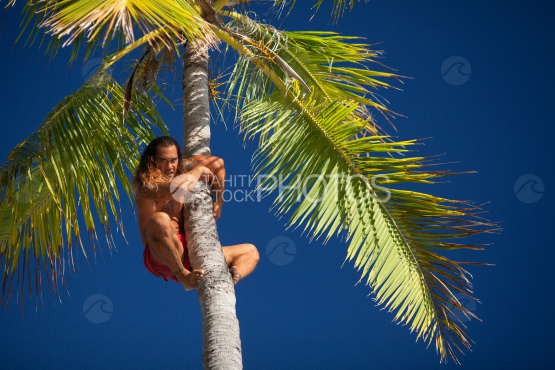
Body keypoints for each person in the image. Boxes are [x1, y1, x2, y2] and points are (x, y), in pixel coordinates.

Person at [132, 136, 259, 291]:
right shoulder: (146, 187)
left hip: (188, 252)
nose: (170, 166)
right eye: (163, 160)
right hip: (159, 255)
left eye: (173, 160)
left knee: (250, 252)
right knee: (160, 219)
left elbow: (218, 164)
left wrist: (219, 202)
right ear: (152, 161)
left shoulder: (180, 169)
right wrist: (198, 170)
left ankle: (230, 279)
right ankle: (182, 275)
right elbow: (177, 188)